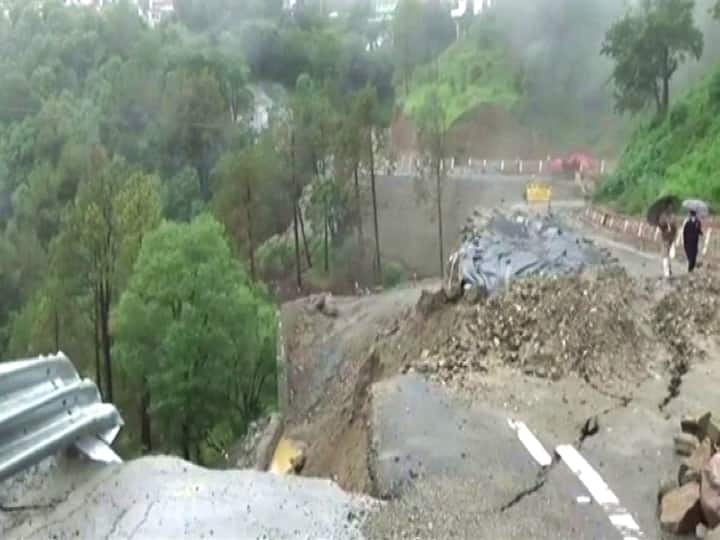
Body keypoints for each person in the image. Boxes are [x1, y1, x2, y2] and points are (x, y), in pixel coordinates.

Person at [659, 214, 678, 279]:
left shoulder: (673, 217)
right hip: (665, 238)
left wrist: (671, 224)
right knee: (665, 254)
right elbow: (661, 226)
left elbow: (675, 228)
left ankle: (669, 269)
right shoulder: (662, 217)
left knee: (669, 255)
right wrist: (666, 223)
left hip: (671, 239)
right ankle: (666, 271)